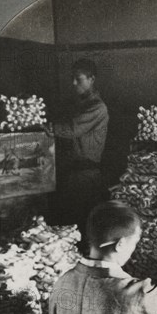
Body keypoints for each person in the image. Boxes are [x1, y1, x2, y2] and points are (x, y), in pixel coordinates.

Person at [45, 58, 109, 241]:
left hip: (85, 176)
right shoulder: (78, 105)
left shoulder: (97, 108)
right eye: (72, 78)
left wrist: (50, 127)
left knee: (81, 223)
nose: (73, 83)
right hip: (71, 174)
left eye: (78, 79)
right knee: (68, 225)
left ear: (92, 79)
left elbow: (72, 129)